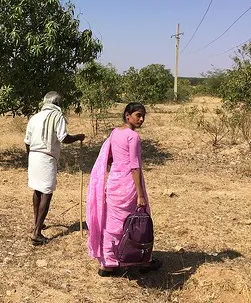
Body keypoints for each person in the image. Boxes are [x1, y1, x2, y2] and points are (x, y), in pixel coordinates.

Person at [86, 102, 161, 276]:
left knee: (112, 224)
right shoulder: (133, 137)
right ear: (127, 115)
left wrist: (119, 164)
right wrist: (140, 194)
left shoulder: (115, 132)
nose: (141, 119)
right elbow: (134, 166)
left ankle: (107, 263)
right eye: (138, 115)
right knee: (135, 222)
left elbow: (110, 158)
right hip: (128, 185)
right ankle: (141, 260)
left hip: (114, 183)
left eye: (143, 116)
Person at [24, 91, 85, 246]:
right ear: (58, 103)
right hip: (47, 157)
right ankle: (37, 233)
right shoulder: (58, 116)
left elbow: (27, 141)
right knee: (46, 192)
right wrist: (78, 137)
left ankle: (37, 223)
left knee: (37, 189)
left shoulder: (35, 117)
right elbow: (63, 138)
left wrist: (30, 156)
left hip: (34, 155)